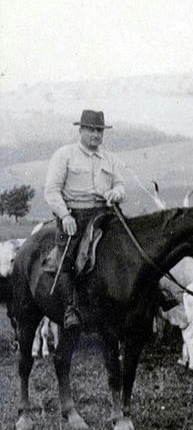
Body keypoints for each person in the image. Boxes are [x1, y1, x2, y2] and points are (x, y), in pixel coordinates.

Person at [44, 110, 126, 328]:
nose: (96, 135)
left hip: (106, 212)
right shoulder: (65, 155)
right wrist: (64, 215)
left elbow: (120, 186)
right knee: (67, 257)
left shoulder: (110, 158)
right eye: (91, 129)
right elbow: (51, 190)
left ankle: (155, 294)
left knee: (134, 244)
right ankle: (70, 308)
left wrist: (116, 193)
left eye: (100, 130)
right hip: (75, 215)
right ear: (80, 130)